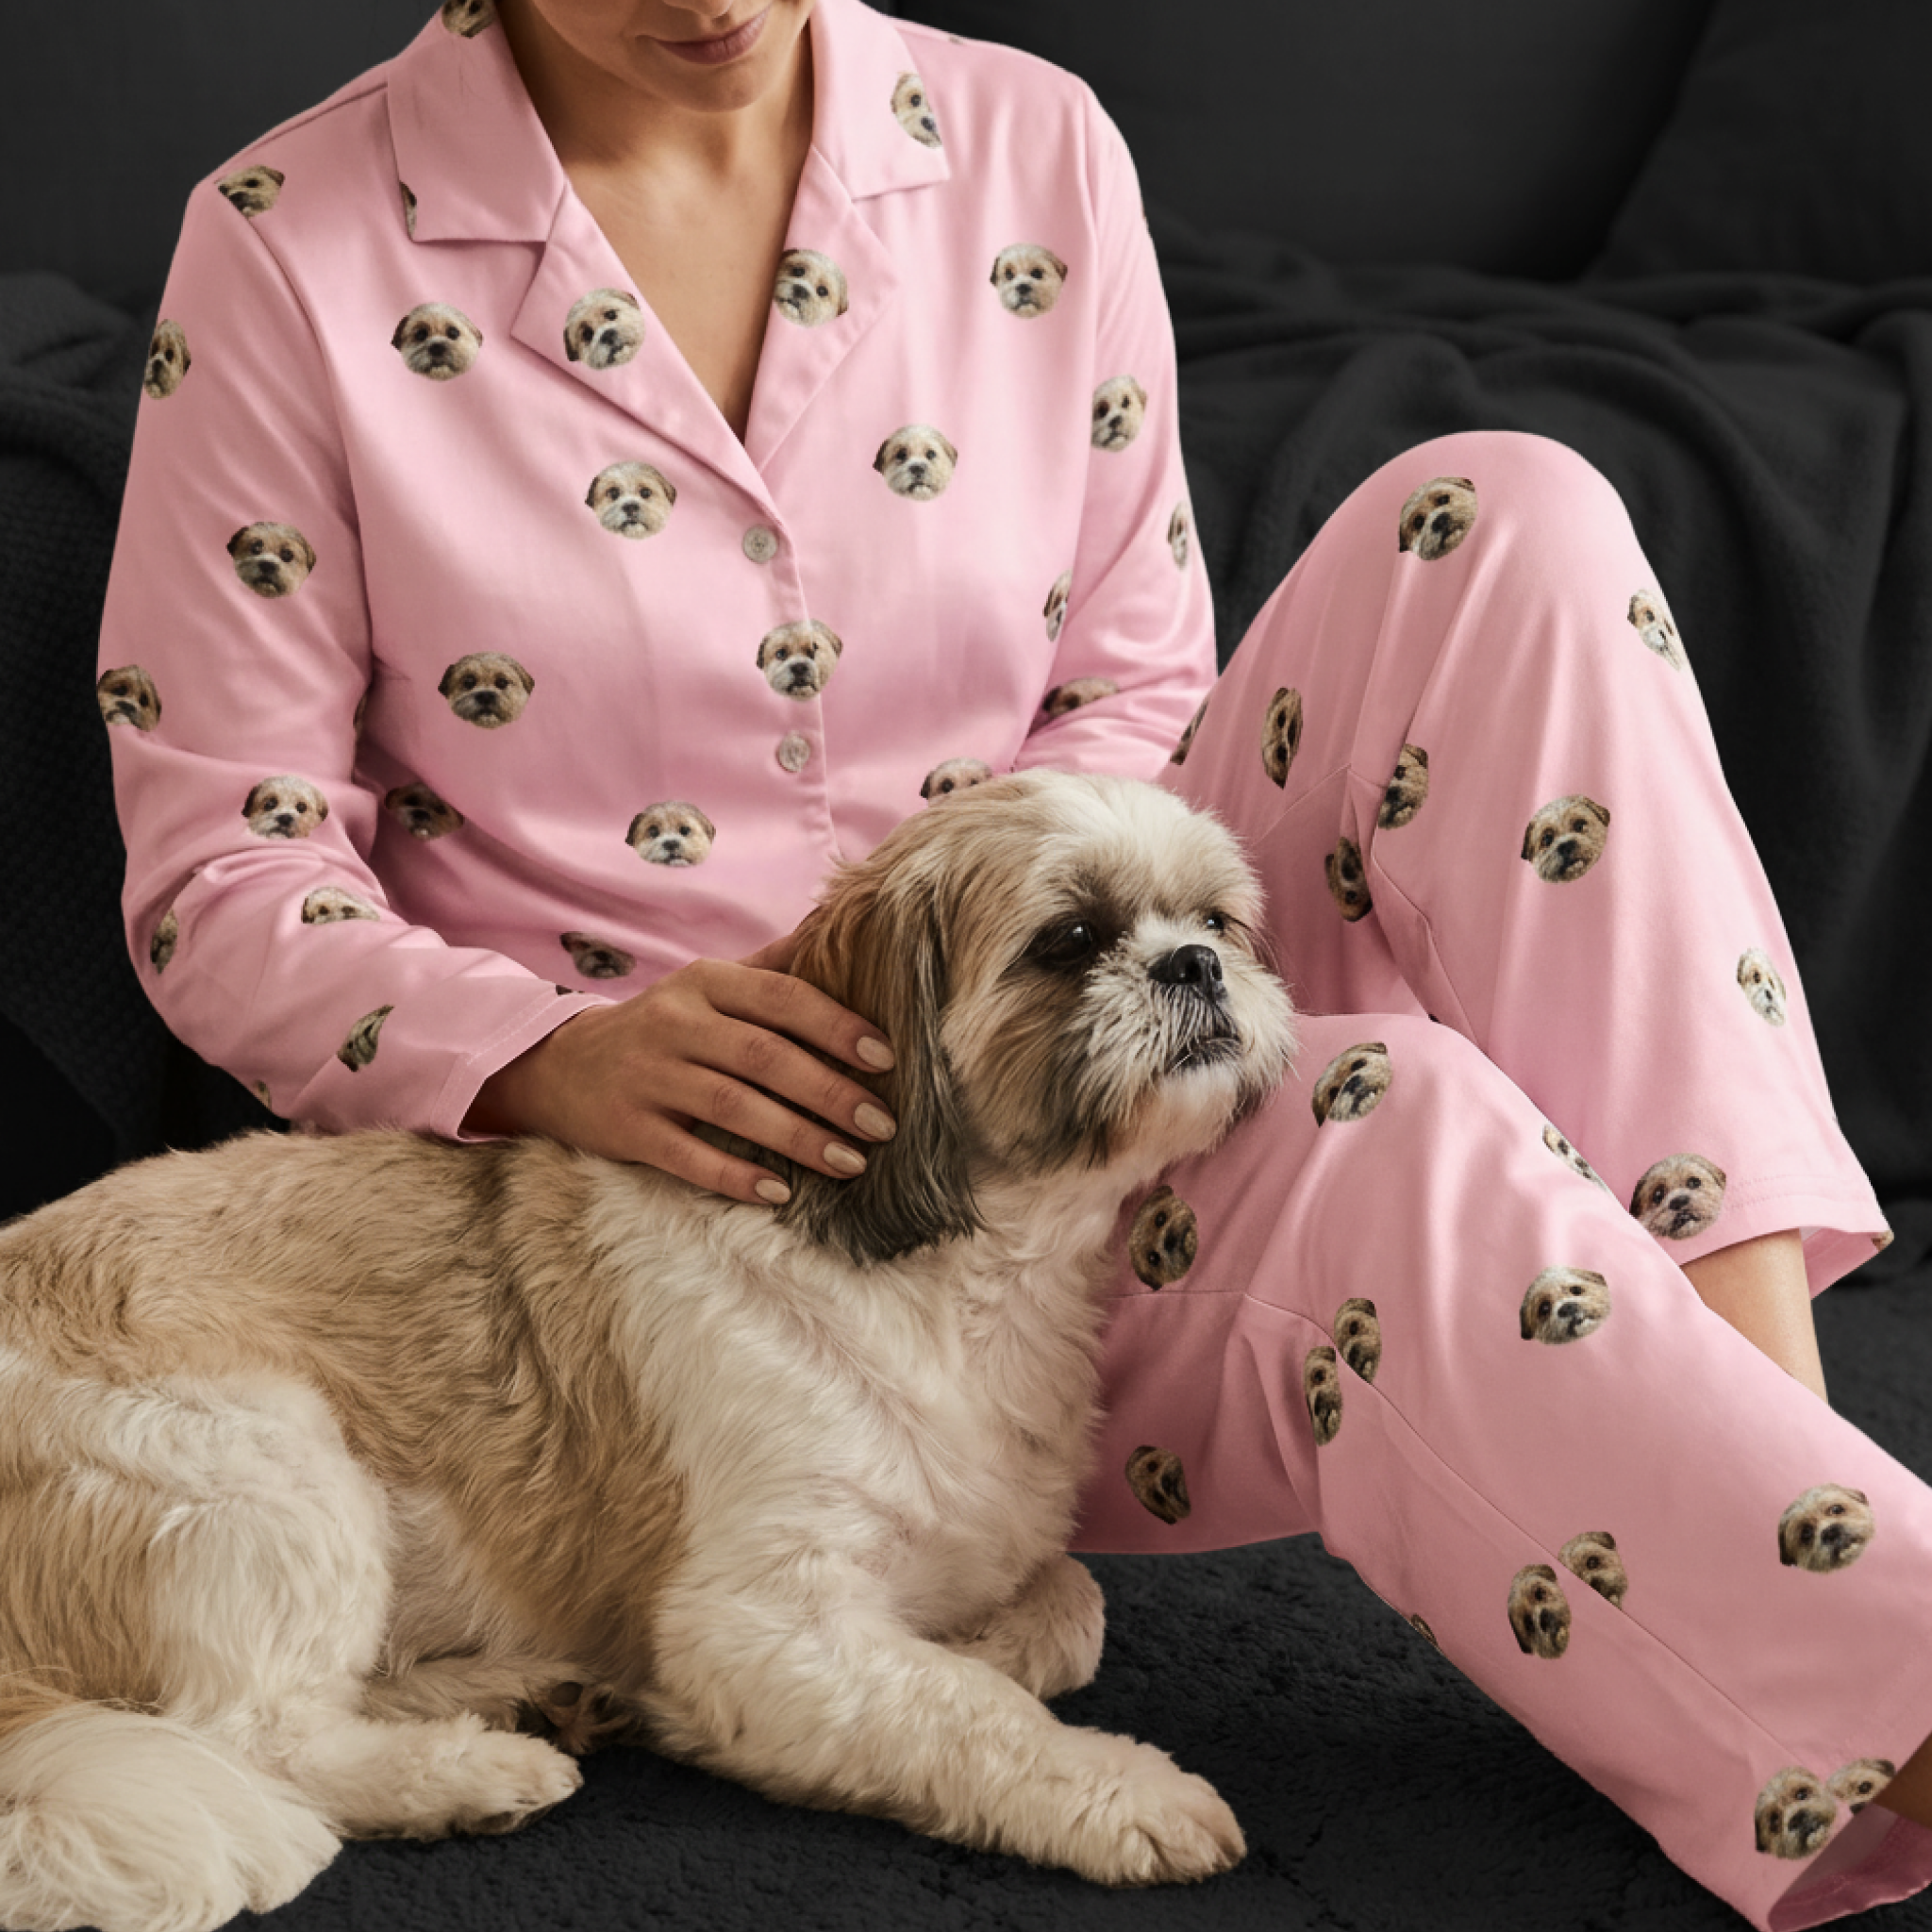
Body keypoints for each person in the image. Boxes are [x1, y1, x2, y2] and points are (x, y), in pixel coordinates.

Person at [93, 0, 1932, 1924]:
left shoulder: (1034, 146)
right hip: (702, 1294)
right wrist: (542, 1052)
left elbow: (1140, 690)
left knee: (1514, 515)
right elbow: (222, 860)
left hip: (1081, 1172)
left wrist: (1035, 977)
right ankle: (1864, 1647)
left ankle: (1790, 1502)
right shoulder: (291, 238)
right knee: (1402, 1113)